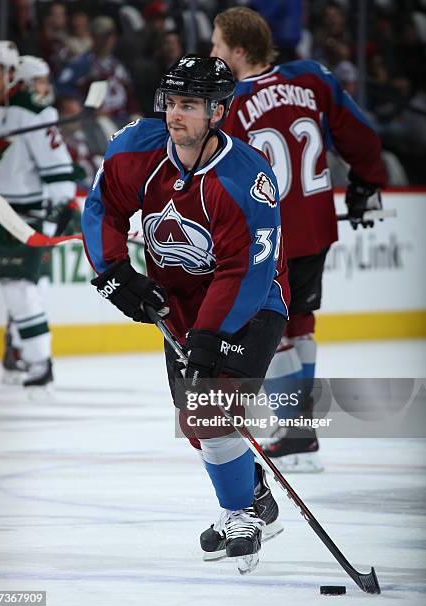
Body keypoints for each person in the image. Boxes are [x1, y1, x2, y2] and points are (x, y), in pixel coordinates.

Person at [82, 55, 290, 571]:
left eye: (190, 105)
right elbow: (103, 208)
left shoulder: (246, 179)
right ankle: (256, 497)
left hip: (251, 304)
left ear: (219, 111)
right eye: (173, 103)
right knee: (195, 422)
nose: (176, 115)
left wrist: (210, 332)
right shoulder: (137, 150)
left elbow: (246, 270)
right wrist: (114, 272)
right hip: (179, 307)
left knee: (209, 411)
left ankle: (241, 512)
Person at [211, 7, 387, 472]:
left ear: (239, 51)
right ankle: (302, 430)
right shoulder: (312, 77)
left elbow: (221, 173)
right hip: (316, 223)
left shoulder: (230, 103)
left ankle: (295, 433)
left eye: (217, 46)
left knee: (271, 327)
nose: (212, 53)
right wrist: (367, 182)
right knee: (301, 322)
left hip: (273, 236)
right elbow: (361, 134)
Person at [0, 40, 76, 387]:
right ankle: (17, 351)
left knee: (19, 287)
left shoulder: (31, 110)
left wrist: (58, 207)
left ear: (10, 73)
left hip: (20, 211)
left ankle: (37, 362)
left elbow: (57, 165)